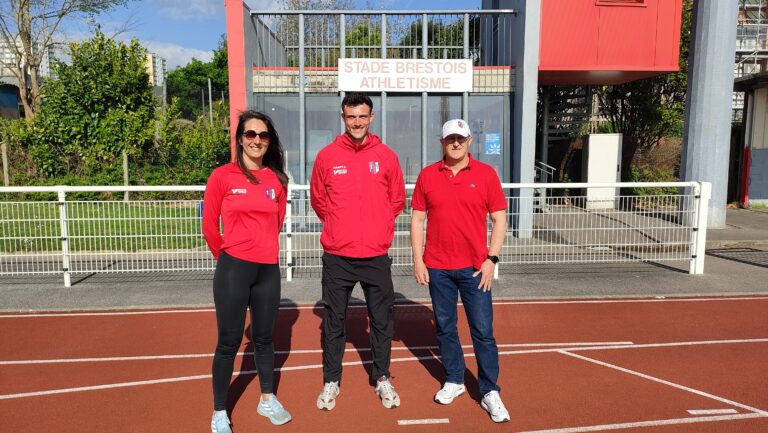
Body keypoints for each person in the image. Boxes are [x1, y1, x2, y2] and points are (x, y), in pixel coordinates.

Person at [409, 118, 511, 423]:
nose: (456, 143)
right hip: (438, 267)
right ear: (442, 142)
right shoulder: (427, 176)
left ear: (469, 141)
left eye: (461, 138)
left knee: (482, 331)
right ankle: (454, 379)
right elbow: (416, 220)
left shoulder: (485, 175)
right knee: (444, 327)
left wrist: (491, 260)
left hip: (475, 270)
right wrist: (417, 258)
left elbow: (500, 220)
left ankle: (490, 390)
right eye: (450, 138)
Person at [310, 93, 406, 410]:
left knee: (381, 322)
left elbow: (396, 202)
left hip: (376, 256)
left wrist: (376, 229)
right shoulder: (326, 157)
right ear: (343, 118)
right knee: (334, 324)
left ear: (371, 117)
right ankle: (331, 381)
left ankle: (382, 378)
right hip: (338, 257)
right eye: (351, 117)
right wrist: (341, 227)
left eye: (362, 116)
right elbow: (319, 202)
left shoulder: (387, 157)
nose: (357, 123)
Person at [202, 110, 292, 432]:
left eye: (263, 135)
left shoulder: (277, 180)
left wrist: (258, 250)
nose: (257, 140)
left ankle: (266, 399)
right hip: (233, 269)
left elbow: (276, 222)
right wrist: (229, 256)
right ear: (240, 138)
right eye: (250, 134)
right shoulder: (222, 176)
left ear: (269, 142)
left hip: (267, 269)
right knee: (228, 341)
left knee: (265, 338)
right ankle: (219, 411)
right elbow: (209, 225)